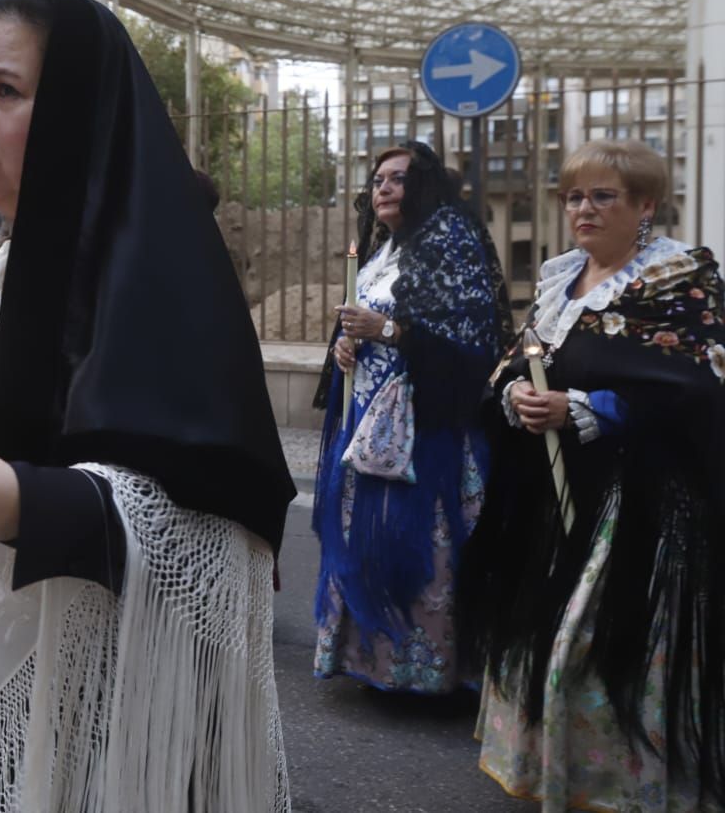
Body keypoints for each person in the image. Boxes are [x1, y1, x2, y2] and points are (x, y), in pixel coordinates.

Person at [0, 0, 295, 810]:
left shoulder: (152, 278)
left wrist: (19, 504)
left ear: (77, 109)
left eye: (4, 91)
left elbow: (219, 538)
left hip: (61, 702)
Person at [459, 140, 725, 811]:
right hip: (559, 496)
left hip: (640, 507)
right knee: (547, 645)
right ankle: (565, 777)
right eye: (575, 195)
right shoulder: (560, 279)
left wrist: (592, 408)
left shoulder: (678, 279)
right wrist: (518, 398)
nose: (584, 209)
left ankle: (626, 787)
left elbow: (700, 383)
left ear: (645, 206)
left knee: (598, 650)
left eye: (604, 196)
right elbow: (518, 363)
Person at [310, 143, 511, 694]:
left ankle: (428, 669)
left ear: (425, 184)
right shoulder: (382, 251)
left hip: (427, 430)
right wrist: (346, 349)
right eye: (377, 179)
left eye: (398, 178)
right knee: (361, 534)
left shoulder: (451, 240)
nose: (383, 188)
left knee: (425, 544)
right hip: (367, 421)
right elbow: (363, 322)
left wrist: (389, 332)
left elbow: (471, 347)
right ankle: (369, 660)